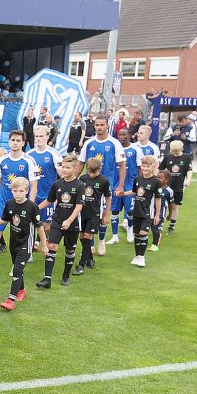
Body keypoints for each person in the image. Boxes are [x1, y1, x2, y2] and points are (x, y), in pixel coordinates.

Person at [0, 130, 38, 280]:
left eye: (18, 140)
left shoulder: (29, 161)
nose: (15, 143)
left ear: (23, 143)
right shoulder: (2, 160)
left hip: (21, 206)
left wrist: (31, 205)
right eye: (12, 140)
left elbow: (33, 185)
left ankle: (17, 265)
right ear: (9, 142)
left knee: (19, 239)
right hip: (3, 204)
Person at [35, 154, 84, 289]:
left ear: (75, 169)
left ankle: (66, 275)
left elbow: (79, 206)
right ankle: (47, 279)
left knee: (69, 250)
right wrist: (35, 209)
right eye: (63, 167)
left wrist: (69, 220)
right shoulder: (57, 184)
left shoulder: (79, 185)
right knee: (52, 247)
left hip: (72, 224)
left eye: (67, 167)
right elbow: (49, 200)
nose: (64, 170)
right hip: (57, 221)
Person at [80, 116, 126, 256]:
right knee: (89, 214)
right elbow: (81, 163)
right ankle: (92, 244)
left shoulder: (114, 143)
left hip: (107, 185)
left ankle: (101, 241)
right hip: (89, 186)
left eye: (102, 125)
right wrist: (71, 180)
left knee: (104, 215)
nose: (99, 127)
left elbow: (122, 165)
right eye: (97, 125)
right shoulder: (89, 143)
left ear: (107, 126)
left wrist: (121, 186)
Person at [0, 177, 46, 311]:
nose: (18, 193)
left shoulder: (32, 207)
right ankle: (22, 290)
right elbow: (4, 220)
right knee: (17, 268)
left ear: (26, 191)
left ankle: (10, 300)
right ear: (11, 191)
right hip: (14, 242)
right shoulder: (9, 204)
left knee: (17, 269)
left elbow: (40, 228)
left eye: (21, 191)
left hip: (26, 243)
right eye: (15, 190)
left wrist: (43, 245)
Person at [123, 156, 163, 268]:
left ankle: (142, 257)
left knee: (143, 233)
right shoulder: (138, 179)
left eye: (147, 166)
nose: (145, 168)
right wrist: (123, 193)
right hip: (137, 211)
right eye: (143, 166)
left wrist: (157, 214)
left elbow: (158, 199)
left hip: (148, 212)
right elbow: (134, 192)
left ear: (153, 167)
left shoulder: (156, 182)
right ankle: (137, 256)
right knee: (137, 234)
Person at [74, 158, 111, 275]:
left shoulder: (104, 181)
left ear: (99, 169)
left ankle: (81, 265)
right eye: (89, 171)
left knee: (87, 237)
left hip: (94, 214)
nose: (91, 174)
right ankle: (89, 259)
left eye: (94, 171)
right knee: (81, 237)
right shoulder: (83, 178)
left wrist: (106, 214)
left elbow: (108, 198)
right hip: (82, 213)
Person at [26, 125, 62, 239]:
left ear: (47, 137)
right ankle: (32, 245)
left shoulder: (54, 154)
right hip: (32, 194)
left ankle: (49, 243)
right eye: (36, 136)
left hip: (48, 196)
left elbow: (62, 175)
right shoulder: (29, 154)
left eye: (41, 136)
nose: (38, 139)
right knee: (31, 222)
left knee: (47, 226)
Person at [110, 128, 140, 244]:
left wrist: (139, 184)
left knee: (130, 212)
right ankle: (115, 236)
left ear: (130, 135)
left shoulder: (135, 150)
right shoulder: (115, 149)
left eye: (124, 135)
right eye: (120, 135)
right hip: (116, 186)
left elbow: (139, 168)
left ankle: (130, 232)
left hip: (130, 187)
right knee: (114, 211)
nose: (121, 137)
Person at [158, 140, 193, 234]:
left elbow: (189, 170)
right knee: (164, 204)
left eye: (176, 152)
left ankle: (171, 226)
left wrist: (188, 180)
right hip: (166, 186)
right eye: (173, 151)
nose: (175, 154)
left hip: (178, 186)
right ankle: (161, 220)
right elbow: (160, 169)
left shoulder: (186, 157)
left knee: (175, 205)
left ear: (182, 149)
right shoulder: (167, 156)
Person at [150, 170, 172, 252]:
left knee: (155, 229)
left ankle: (154, 245)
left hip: (161, 213)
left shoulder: (169, 191)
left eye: (160, 178)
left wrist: (170, 214)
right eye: (157, 177)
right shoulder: (153, 187)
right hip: (151, 210)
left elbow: (170, 204)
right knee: (151, 227)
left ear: (166, 180)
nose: (158, 179)